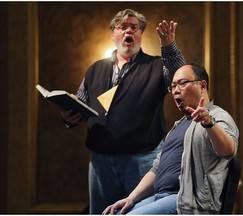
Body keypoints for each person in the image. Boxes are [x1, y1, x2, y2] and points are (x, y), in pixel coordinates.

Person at [60, 8, 185, 214]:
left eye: (134, 28)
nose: (129, 31)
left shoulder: (156, 65)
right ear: (113, 34)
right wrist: (68, 117)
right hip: (101, 163)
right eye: (123, 27)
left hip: (142, 161)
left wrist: (169, 47)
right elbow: (81, 104)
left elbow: (180, 78)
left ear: (140, 35)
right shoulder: (95, 69)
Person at [102, 62, 239, 215]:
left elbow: (228, 150)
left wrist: (209, 123)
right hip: (159, 197)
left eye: (182, 83)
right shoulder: (178, 126)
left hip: (187, 202)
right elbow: (156, 169)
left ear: (202, 85)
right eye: (172, 86)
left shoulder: (218, 116)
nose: (175, 90)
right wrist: (131, 198)